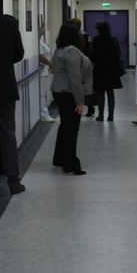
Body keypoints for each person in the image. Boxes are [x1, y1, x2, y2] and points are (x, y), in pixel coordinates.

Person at [0, 8, 26, 196]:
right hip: (6, 86)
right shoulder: (9, 23)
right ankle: (13, 181)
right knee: (8, 133)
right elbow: (19, 54)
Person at [51, 23, 92, 175]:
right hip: (68, 94)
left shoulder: (60, 49)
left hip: (59, 92)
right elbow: (75, 79)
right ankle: (70, 165)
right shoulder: (71, 51)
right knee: (71, 129)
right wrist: (80, 102)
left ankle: (59, 159)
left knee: (65, 126)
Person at [90, 19, 124, 122]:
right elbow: (118, 54)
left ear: (99, 30)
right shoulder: (113, 40)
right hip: (111, 70)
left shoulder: (96, 40)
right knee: (110, 92)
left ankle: (100, 115)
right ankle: (111, 115)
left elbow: (93, 55)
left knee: (100, 92)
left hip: (99, 69)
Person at [69, 17, 96, 117]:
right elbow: (90, 48)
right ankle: (89, 108)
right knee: (86, 86)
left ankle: (84, 107)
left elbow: (89, 48)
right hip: (84, 61)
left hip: (79, 62)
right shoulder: (86, 35)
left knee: (82, 86)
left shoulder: (77, 36)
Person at [37, 24, 56, 122]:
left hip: (44, 71)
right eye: (42, 28)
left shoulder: (41, 41)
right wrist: (51, 64)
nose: (44, 31)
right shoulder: (37, 42)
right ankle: (44, 114)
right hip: (42, 71)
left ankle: (44, 113)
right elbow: (40, 56)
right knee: (41, 93)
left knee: (43, 92)